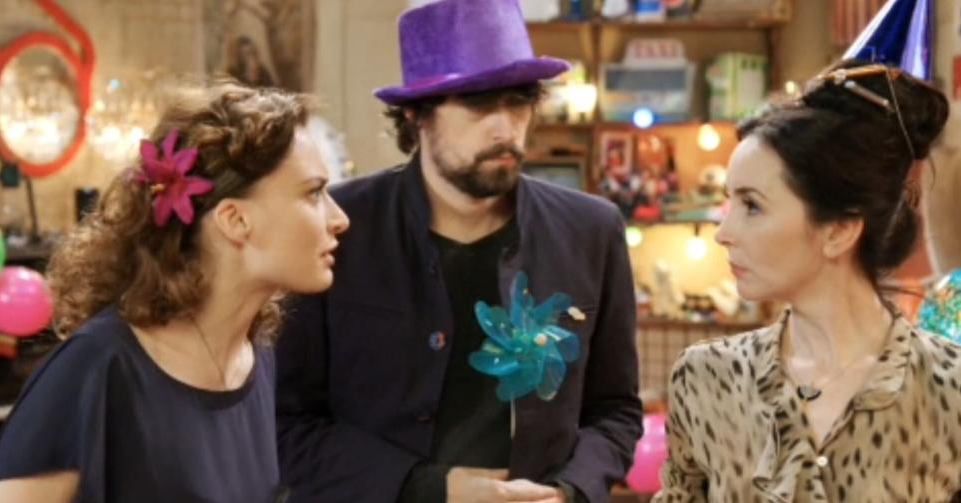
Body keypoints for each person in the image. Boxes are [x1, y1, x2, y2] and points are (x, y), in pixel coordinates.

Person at [274, 0, 643, 502]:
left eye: (519, 101)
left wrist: (568, 492)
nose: (505, 128)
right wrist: (434, 488)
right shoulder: (338, 227)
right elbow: (287, 423)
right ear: (417, 114)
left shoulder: (589, 230)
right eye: (478, 104)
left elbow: (615, 411)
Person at [0, 82, 349, 502]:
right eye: (313, 193)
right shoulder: (98, 367)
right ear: (235, 220)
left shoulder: (256, 356)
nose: (339, 218)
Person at [654, 60, 953, 501]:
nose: (723, 232)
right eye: (729, 202)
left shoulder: (948, 389)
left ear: (839, 230)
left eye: (752, 206)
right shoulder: (707, 377)